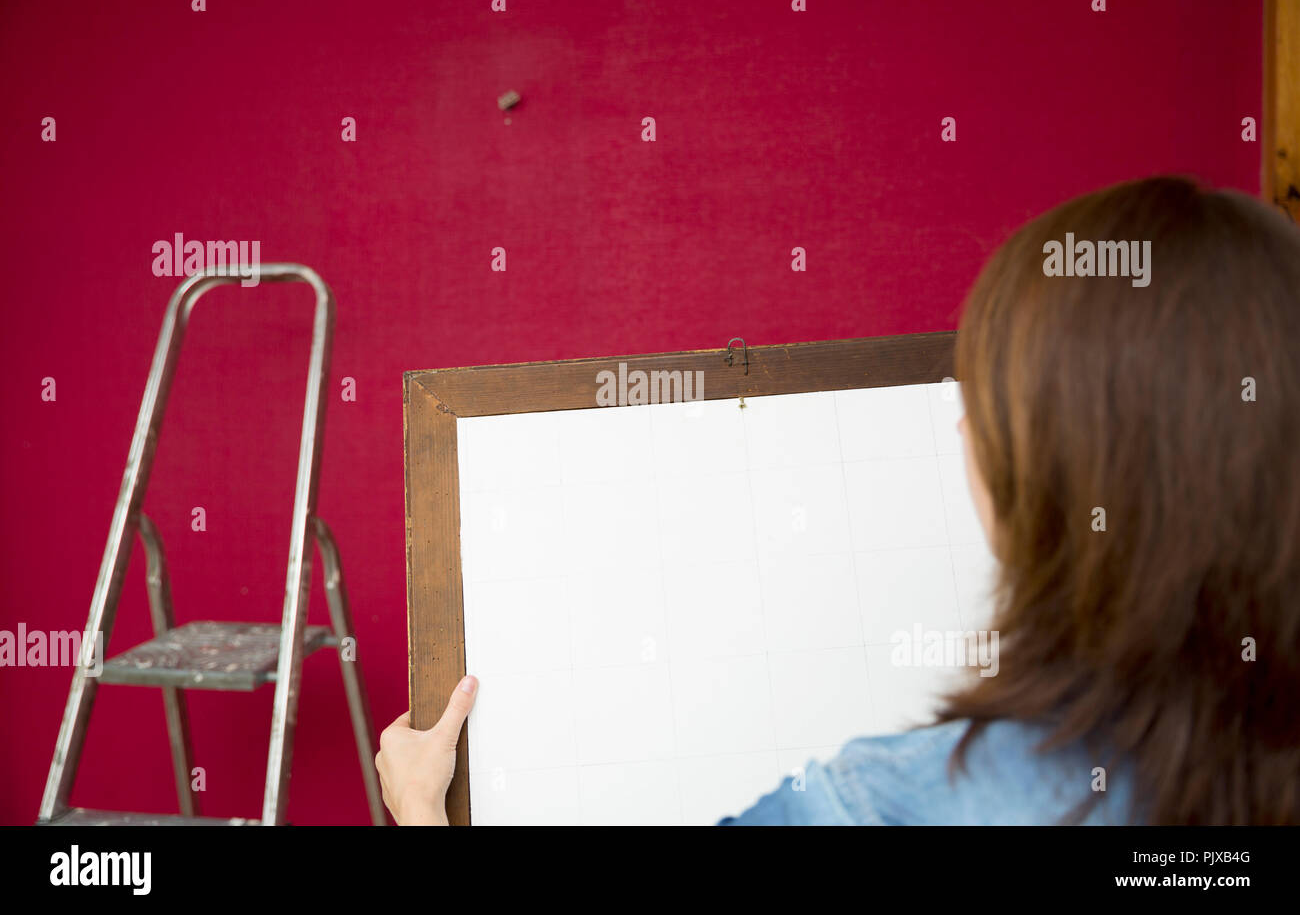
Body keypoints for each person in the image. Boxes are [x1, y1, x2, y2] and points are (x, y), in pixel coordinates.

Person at [376, 177, 1300, 825]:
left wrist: (420, 807)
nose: (962, 430)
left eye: (986, 403)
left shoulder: (890, 805)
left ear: (1052, 473)